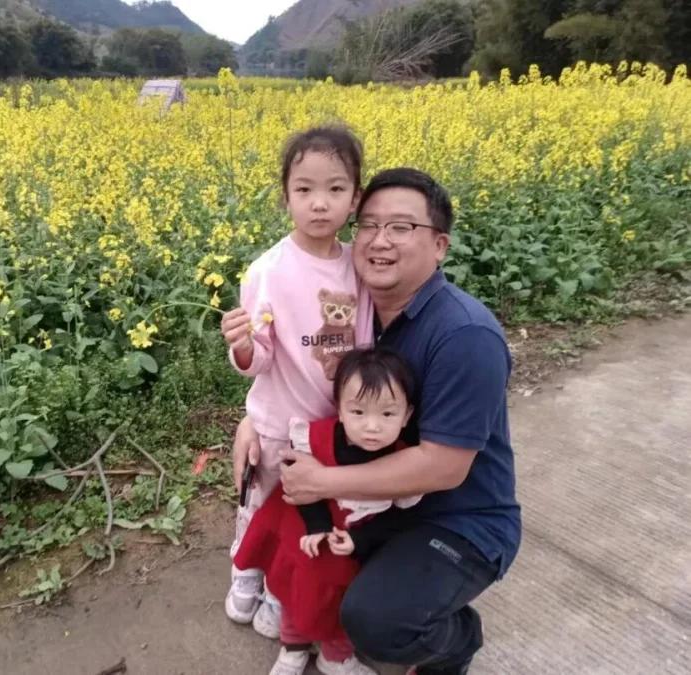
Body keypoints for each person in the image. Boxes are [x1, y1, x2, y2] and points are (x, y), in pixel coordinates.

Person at [231, 168, 522, 675]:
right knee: (297, 548)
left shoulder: (464, 335)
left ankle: (457, 641)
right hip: (381, 504)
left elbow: (444, 468)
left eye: (401, 227)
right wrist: (253, 421)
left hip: (458, 519)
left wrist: (322, 482)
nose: (379, 240)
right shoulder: (364, 319)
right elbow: (309, 385)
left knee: (378, 623)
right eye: (368, 225)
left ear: (440, 246)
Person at [219, 125, 375, 641]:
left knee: (303, 516)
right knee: (259, 502)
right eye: (304, 189)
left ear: (355, 197)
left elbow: (365, 343)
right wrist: (242, 346)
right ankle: (245, 572)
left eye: (335, 188)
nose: (319, 203)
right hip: (276, 423)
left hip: (330, 429)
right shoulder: (269, 270)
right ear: (285, 196)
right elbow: (259, 358)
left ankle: (278, 589)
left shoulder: (357, 267)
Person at [233, 347, 423, 675]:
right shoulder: (313, 438)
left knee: (342, 609)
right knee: (295, 596)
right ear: (339, 409)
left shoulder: (404, 462)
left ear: (407, 415)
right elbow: (295, 482)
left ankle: (335, 658)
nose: (372, 427)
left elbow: (401, 515)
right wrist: (317, 524)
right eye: (358, 412)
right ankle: (292, 649)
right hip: (307, 544)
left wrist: (361, 539)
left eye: (387, 414)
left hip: (353, 555)